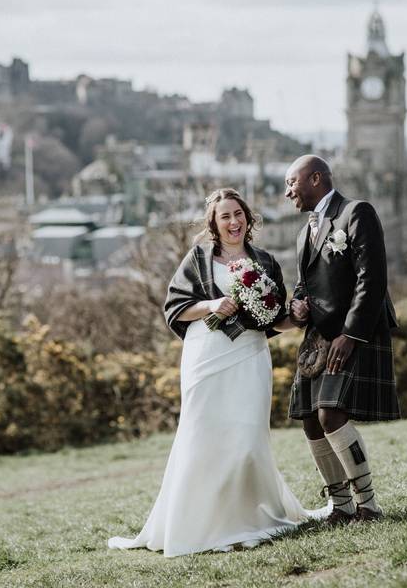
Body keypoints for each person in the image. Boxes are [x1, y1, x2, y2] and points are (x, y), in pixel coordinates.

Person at [108, 188, 327, 558]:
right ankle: (199, 524)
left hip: (250, 356)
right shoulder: (198, 259)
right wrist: (212, 303)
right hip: (207, 357)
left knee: (247, 438)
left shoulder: (266, 262)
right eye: (224, 216)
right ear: (214, 223)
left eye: (238, 214)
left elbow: (273, 322)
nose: (233, 222)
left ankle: (249, 517)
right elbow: (175, 307)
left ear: (248, 218)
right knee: (203, 437)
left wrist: (297, 317)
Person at [283, 155, 400, 525]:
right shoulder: (304, 232)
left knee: (331, 413)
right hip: (319, 334)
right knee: (309, 419)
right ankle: (341, 506)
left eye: (292, 183)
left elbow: (373, 278)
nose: (288, 193)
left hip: (355, 332)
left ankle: (368, 505)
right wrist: (297, 305)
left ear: (315, 178)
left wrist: (351, 334)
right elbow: (304, 285)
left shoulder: (355, 213)